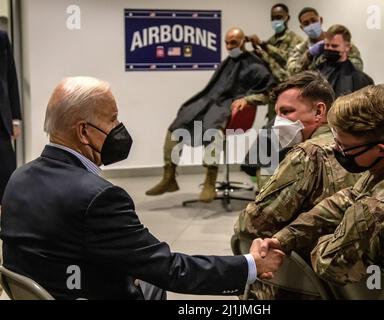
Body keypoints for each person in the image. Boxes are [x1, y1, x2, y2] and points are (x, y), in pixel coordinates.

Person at [0, 76, 285, 300]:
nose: (119, 128)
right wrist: (250, 265)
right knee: (150, 281)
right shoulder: (99, 197)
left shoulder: (18, 177)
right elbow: (171, 270)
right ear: (83, 132)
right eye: (112, 119)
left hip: (49, 289)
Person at [260, 84, 384, 292]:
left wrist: (325, 238)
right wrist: (284, 237)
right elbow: (348, 198)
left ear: (380, 149)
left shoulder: (371, 212)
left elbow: (329, 266)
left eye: (344, 147)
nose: (335, 149)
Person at [234, 71, 360, 299]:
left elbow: (253, 222)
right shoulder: (357, 146)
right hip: (350, 281)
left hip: (306, 279)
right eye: (277, 113)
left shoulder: (306, 154)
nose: (278, 121)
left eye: (287, 112)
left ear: (319, 111)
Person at [145, 27, 276, 202]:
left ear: (243, 42)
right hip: (209, 102)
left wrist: (249, 99)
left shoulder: (255, 66)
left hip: (228, 107)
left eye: (234, 43)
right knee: (179, 123)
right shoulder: (228, 61)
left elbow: (269, 93)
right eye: (227, 43)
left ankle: (210, 181)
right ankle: (169, 176)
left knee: (214, 129)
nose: (229, 46)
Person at [287, 7, 363, 75]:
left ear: (321, 20)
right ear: (302, 27)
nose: (311, 25)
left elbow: (358, 67)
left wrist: (335, 57)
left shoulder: (340, 41)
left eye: (313, 21)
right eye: (306, 23)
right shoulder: (300, 49)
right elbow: (293, 72)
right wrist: (308, 55)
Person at [314, 24, 373, 97]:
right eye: (327, 45)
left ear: (347, 47)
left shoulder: (361, 80)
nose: (329, 48)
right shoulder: (315, 72)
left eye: (334, 46)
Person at [0, 29, 21, 206]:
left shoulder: (1, 37)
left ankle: (6, 216)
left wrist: (15, 118)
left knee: (6, 172)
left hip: (1, 119)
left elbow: (10, 78)